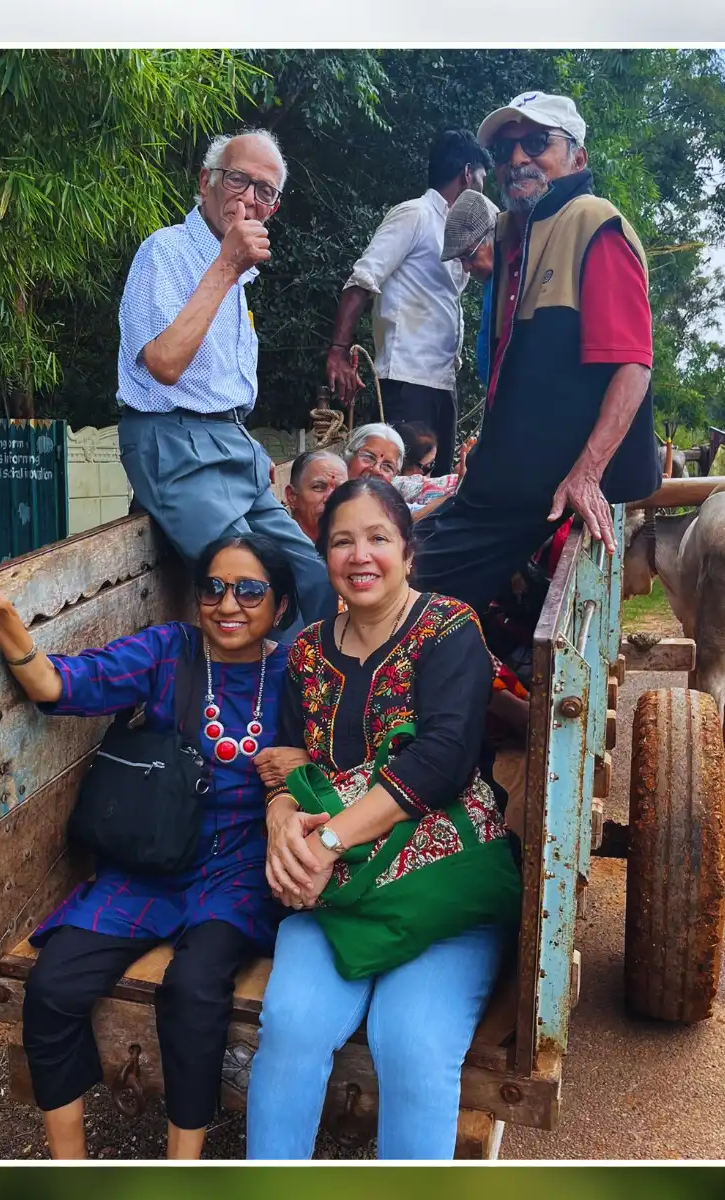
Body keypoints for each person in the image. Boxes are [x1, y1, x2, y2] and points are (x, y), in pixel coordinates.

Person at [0, 535, 296, 1161]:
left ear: (279, 607)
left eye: (251, 590)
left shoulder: (299, 671)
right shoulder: (165, 652)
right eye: (214, 587)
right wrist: (3, 611)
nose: (229, 604)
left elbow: (347, 754)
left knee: (195, 990)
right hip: (148, 862)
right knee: (54, 987)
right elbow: (55, 684)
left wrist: (304, 762)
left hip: (235, 873)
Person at [246, 477, 521, 1160]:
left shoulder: (449, 629)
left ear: (407, 551)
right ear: (324, 554)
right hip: (334, 884)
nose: (360, 555)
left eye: (377, 538)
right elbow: (287, 762)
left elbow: (442, 762)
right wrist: (283, 823)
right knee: (291, 1023)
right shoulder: (305, 653)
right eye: (342, 540)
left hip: (440, 879)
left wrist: (328, 840)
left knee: (413, 1040)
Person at [412, 91, 661, 615]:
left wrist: (587, 473)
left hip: (542, 485)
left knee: (412, 583)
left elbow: (632, 364)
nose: (517, 159)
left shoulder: (592, 222)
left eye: (535, 143)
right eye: (504, 151)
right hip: (507, 477)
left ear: (577, 156)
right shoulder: (511, 233)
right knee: (400, 536)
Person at [115, 128, 333, 625]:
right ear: (206, 182)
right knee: (254, 588)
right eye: (238, 179)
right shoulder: (166, 251)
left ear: (273, 208)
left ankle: (320, 698)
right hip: (173, 442)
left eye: (265, 191)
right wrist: (227, 264)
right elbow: (165, 365)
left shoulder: (238, 278)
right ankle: (280, 698)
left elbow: (223, 389)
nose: (249, 199)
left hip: (230, 445)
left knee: (314, 578)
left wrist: (250, 450)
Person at [324, 131, 493, 476]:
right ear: (466, 174)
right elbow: (362, 280)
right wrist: (339, 351)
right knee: (400, 485)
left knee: (439, 484)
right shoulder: (414, 215)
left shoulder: (461, 230)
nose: (483, 189)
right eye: (481, 180)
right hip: (407, 380)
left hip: (443, 380)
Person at [438, 188, 500, 387]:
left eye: (470, 255)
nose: (466, 267)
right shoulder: (494, 282)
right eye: (461, 260)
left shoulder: (521, 276)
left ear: (494, 236)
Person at [283, 449, 347, 544]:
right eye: (318, 487)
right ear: (292, 496)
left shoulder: (356, 552)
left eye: (340, 489)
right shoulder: (271, 552)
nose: (330, 498)